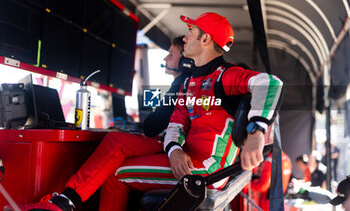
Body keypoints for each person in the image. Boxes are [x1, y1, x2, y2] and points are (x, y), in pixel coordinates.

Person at [8, 12, 283, 211]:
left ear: (206, 39)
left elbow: (271, 82)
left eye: (191, 32)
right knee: (115, 141)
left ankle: (63, 203)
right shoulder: (189, 81)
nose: (185, 37)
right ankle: (63, 202)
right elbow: (176, 121)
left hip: (206, 169)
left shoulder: (226, 75)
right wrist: (174, 149)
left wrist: (256, 133)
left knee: (116, 174)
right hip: (187, 157)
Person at [4, 36, 189, 211]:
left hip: (176, 149)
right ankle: (64, 201)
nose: (166, 57)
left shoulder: (182, 85)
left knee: (116, 141)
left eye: (171, 54)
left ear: (184, 61)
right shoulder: (182, 84)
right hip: (171, 145)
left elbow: (151, 127)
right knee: (114, 162)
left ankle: (64, 202)